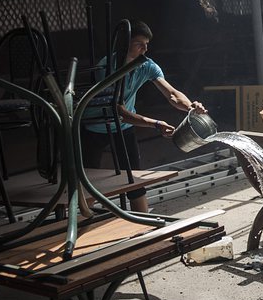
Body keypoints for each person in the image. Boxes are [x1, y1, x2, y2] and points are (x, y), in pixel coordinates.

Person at [81, 20, 207, 212]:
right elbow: (120, 112)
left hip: (123, 129)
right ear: (125, 43)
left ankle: (144, 226)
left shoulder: (146, 66)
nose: (145, 49)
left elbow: (172, 94)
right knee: (89, 183)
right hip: (95, 125)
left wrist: (191, 107)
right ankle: (84, 224)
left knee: (135, 181)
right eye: (140, 43)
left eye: (147, 44)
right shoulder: (106, 67)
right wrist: (156, 123)